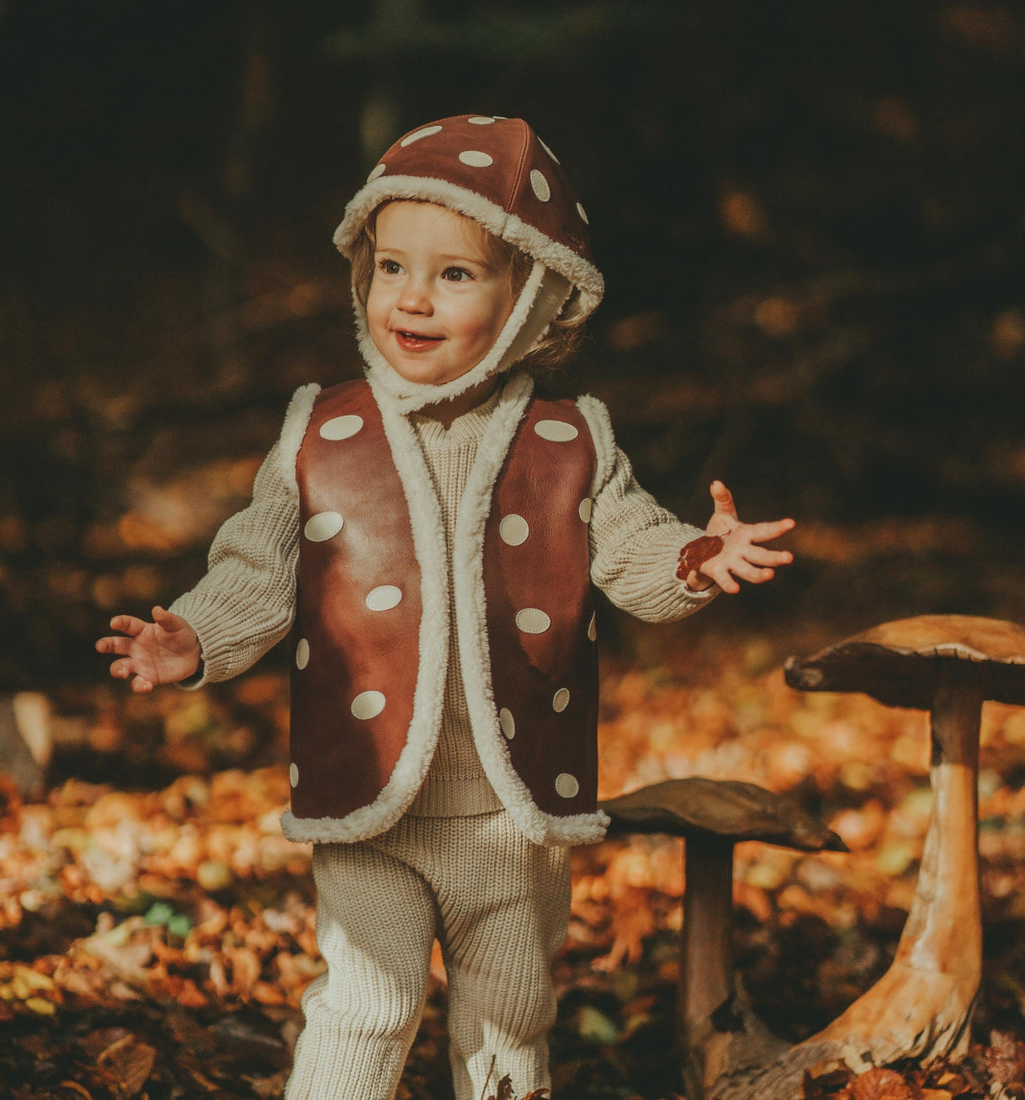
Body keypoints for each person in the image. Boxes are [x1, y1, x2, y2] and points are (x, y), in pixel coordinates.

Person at [96, 114, 794, 1100]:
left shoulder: (569, 439)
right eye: (389, 266)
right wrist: (195, 634)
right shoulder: (322, 427)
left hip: (513, 816)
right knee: (368, 999)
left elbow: (629, 552)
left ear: (532, 300)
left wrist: (693, 556)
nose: (410, 297)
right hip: (368, 807)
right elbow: (257, 565)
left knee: (508, 1010)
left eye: (455, 274)